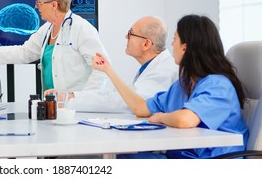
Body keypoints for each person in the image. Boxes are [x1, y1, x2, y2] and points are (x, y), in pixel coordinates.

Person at [92, 14, 248, 158]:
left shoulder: (219, 86)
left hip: (213, 162)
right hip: (182, 158)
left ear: (185, 48)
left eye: (174, 39)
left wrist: (160, 117)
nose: (171, 44)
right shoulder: (182, 85)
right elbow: (140, 108)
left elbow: (185, 120)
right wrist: (108, 71)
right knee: (122, 159)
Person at [0, 0, 110, 96]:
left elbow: (103, 71)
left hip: (76, 110)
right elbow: (24, 52)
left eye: (40, 3)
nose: (37, 7)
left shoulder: (82, 28)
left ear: (54, 5)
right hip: (53, 106)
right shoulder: (47, 29)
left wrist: (77, 98)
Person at [68, 16, 178, 112]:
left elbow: (127, 103)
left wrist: (70, 100)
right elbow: (116, 95)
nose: (126, 37)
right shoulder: (151, 67)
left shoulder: (161, 72)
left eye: (131, 33)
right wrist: (71, 96)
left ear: (146, 44)